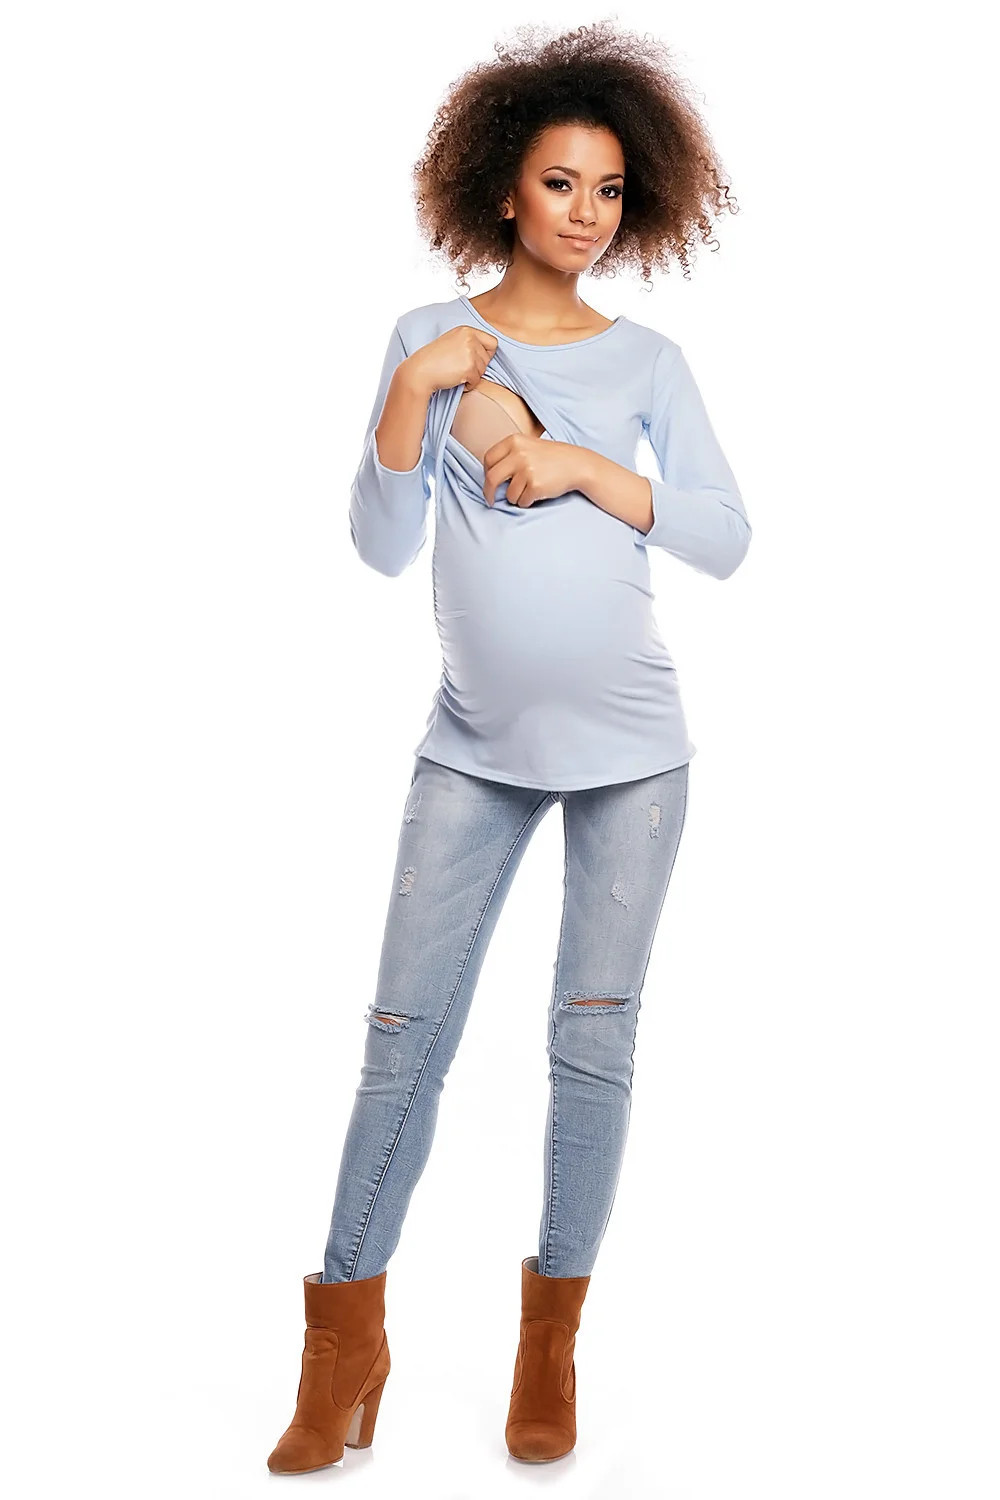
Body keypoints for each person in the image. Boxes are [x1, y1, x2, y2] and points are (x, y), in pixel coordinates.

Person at [267, 19, 750, 1474]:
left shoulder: (650, 360)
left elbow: (727, 536)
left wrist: (584, 465)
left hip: (636, 755)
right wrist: (414, 395)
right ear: (501, 187)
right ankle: (342, 1347)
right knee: (401, 1046)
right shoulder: (430, 339)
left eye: (609, 189)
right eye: (559, 183)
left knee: (590, 1051)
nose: (586, 213)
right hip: (471, 748)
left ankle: (550, 1346)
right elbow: (378, 546)